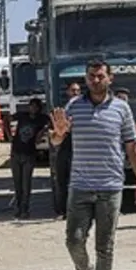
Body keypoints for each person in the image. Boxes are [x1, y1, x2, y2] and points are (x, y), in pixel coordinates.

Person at [49, 60, 136, 270]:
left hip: (110, 187)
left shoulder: (121, 109)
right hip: (80, 187)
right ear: (86, 79)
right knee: (73, 240)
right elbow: (58, 139)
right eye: (91, 76)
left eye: (100, 76)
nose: (95, 80)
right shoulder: (74, 107)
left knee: (105, 247)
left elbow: (132, 148)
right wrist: (58, 135)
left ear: (110, 78)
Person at [10, 98, 49, 219]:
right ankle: (18, 207)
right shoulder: (22, 116)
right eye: (31, 106)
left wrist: (41, 132)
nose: (33, 109)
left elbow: (51, 123)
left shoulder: (41, 119)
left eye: (36, 107)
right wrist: (9, 136)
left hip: (29, 154)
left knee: (26, 183)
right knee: (17, 184)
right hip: (16, 152)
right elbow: (7, 119)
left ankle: (24, 209)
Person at [51, 82, 83, 218]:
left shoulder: (84, 110)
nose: (75, 93)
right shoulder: (62, 111)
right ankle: (63, 211)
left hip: (80, 150)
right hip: (65, 148)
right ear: (68, 92)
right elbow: (54, 135)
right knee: (62, 181)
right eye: (73, 90)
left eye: (78, 90)